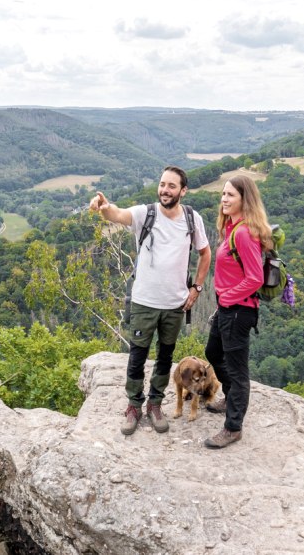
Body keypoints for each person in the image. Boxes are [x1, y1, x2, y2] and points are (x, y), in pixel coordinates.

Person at [89, 166, 211, 436]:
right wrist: (103, 205)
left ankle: (155, 404)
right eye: (162, 184)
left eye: (171, 186)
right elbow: (117, 214)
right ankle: (134, 406)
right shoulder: (146, 213)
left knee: (165, 357)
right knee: (137, 356)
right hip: (144, 301)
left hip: (175, 304)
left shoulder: (192, 219)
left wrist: (197, 288)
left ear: (183, 190)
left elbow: (205, 253)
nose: (165, 190)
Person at [204, 174, 271, 449]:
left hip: (237, 311)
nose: (224, 199)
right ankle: (231, 398)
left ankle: (233, 427)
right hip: (228, 308)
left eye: (230, 195)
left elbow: (255, 278)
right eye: (223, 194)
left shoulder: (243, 233)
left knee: (237, 370)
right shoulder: (233, 228)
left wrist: (227, 298)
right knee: (212, 353)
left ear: (245, 199)